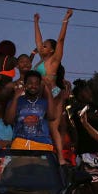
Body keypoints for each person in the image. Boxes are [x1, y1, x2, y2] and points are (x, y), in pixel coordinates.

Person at [33, 9, 73, 164]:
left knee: (53, 126)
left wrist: (65, 20)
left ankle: (61, 158)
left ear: (51, 49)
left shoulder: (54, 61)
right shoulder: (41, 61)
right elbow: (37, 40)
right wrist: (36, 23)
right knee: (40, 123)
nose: (41, 47)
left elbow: (61, 40)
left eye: (44, 46)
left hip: (54, 94)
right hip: (42, 94)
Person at [4, 70, 56, 151]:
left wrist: (48, 92)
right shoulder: (16, 101)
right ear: (25, 85)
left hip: (42, 143)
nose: (33, 86)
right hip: (20, 143)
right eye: (30, 83)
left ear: (40, 85)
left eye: (36, 83)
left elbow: (52, 117)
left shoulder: (45, 102)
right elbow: (8, 120)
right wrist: (15, 97)